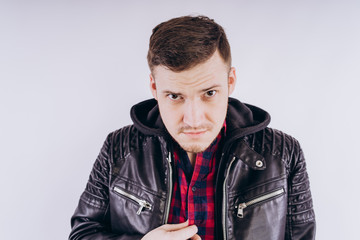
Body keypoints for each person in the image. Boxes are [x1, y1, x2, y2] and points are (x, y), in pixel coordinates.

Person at [69, 15, 316, 240]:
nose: (193, 120)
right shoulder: (118, 148)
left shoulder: (283, 153)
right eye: (175, 96)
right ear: (154, 88)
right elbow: (82, 234)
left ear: (230, 82)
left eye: (209, 93)